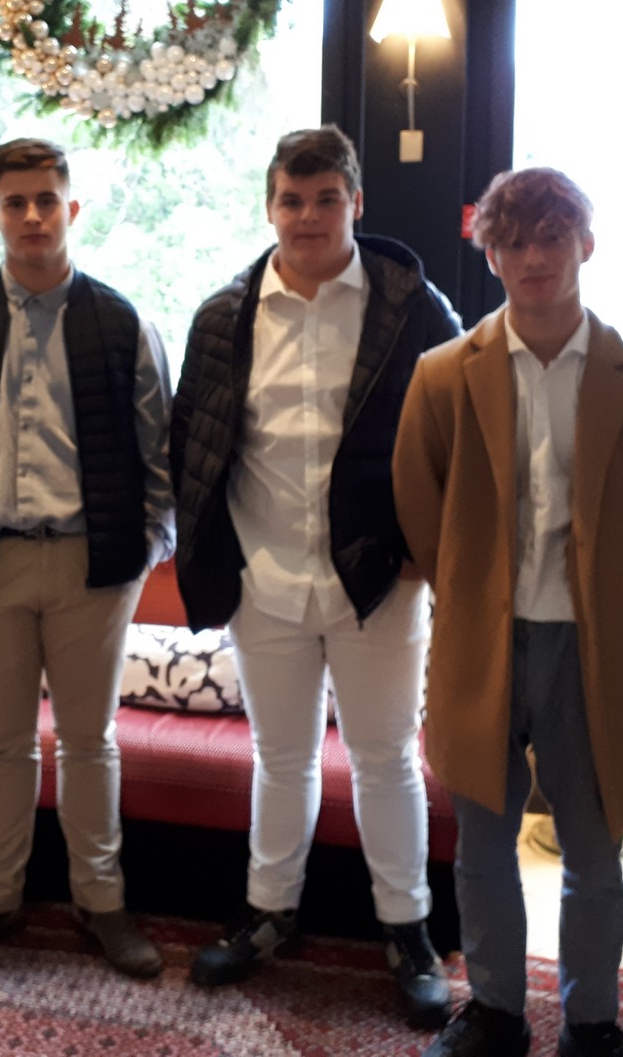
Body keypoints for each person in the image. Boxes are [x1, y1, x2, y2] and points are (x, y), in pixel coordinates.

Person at [393, 167, 623, 1057]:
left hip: (588, 644)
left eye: (553, 237)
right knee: (482, 843)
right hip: (479, 640)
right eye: (513, 241)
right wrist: (465, 590)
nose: (534, 258)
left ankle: (592, 1022)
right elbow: (417, 500)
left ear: (586, 244)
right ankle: (494, 1010)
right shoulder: (443, 376)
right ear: (490, 254)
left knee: (593, 847)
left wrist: (612, 600)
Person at [170, 124, 460, 1024]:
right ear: (270, 208)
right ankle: (269, 913)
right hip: (265, 579)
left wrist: (424, 554)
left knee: (386, 759)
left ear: (355, 203)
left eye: (326, 199)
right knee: (281, 758)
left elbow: (456, 437)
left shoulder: (413, 307)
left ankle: (407, 930)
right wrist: (209, 555)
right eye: (292, 201)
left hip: (379, 581)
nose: (308, 217)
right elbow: (193, 443)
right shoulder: (224, 315)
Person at [0, 137, 174, 979]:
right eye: (16, 202)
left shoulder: (124, 323)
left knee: (90, 742)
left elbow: (164, 457)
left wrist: (145, 549)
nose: (34, 216)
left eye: (47, 199)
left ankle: (102, 903)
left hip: (93, 569)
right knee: (2, 744)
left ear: (71, 208)